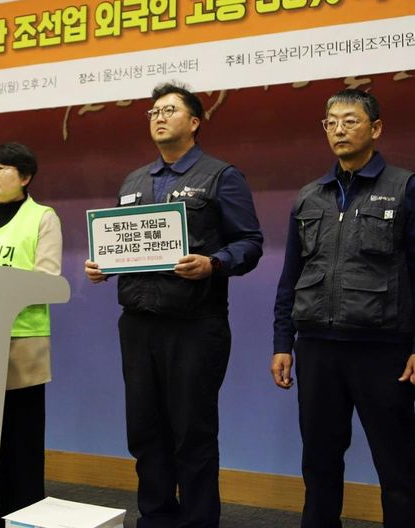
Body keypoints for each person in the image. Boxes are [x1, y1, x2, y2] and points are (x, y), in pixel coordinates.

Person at [85, 82, 263, 528]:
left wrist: (213, 263)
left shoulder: (221, 176)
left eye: (169, 110)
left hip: (195, 325)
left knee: (192, 434)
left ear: (195, 122)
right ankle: (156, 519)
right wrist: (103, 265)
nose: (158, 118)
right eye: (153, 113)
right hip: (137, 324)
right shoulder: (134, 180)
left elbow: (250, 243)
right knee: (145, 432)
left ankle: (198, 522)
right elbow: (124, 245)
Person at [272, 88, 415, 528]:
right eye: (331, 122)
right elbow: (290, 276)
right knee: (319, 463)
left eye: (350, 120)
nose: (339, 130)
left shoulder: (407, 188)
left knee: (397, 464)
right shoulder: (309, 196)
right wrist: (282, 342)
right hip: (316, 347)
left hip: (383, 348)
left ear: (376, 128)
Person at [0, 142, 62, 528]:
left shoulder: (42, 217)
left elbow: (48, 279)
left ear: (25, 176)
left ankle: (23, 515)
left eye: (1, 168)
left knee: (20, 436)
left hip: (21, 340)